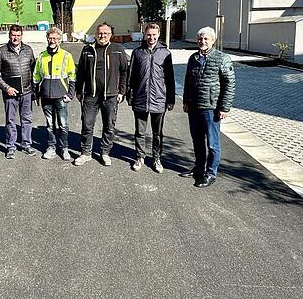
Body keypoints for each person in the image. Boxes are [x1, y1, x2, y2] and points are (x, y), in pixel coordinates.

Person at [181, 26, 235, 188]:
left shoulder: (222, 58)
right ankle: (198, 168)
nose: (202, 41)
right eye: (200, 38)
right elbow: (187, 81)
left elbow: (229, 84)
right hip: (193, 107)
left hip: (211, 108)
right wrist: (185, 100)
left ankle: (211, 173)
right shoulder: (193, 58)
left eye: (206, 39)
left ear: (213, 40)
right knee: (197, 140)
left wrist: (224, 107)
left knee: (212, 144)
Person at [74, 23, 129, 167]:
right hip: (90, 95)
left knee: (109, 126)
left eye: (105, 33)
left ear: (110, 35)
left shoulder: (118, 50)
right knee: (87, 124)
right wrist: (78, 90)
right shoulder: (87, 50)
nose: (102, 36)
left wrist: (122, 91)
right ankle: (86, 153)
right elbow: (81, 72)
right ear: (95, 34)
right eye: (100, 33)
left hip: (110, 95)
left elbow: (124, 72)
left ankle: (105, 152)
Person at [127, 23, 175, 173]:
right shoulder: (137, 53)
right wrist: (130, 95)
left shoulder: (165, 53)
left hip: (159, 99)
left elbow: (170, 78)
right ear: (144, 34)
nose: (151, 37)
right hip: (140, 98)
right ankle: (139, 157)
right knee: (140, 132)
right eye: (148, 34)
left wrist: (170, 99)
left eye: (154, 35)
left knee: (157, 133)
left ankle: (156, 158)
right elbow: (131, 76)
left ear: (158, 35)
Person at [0, 24, 37, 159]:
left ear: (22, 36)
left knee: (27, 119)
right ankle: (11, 146)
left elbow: (34, 71)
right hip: (10, 93)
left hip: (26, 92)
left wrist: (35, 91)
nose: (16, 38)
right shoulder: (1, 51)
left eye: (18, 35)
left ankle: (26, 144)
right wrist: (7, 88)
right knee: (10, 120)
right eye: (13, 35)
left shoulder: (28, 50)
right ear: (9, 35)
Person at [32, 27, 76, 161]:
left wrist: (70, 94)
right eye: (50, 38)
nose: (52, 40)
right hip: (46, 96)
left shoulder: (66, 56)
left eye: (55, 38)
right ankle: (51, 148)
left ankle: (64, 148)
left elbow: (72, 76)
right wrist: (36, 94)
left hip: (61, 96)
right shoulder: (41, 56)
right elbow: (36, 76)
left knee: (63, 125)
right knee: (50, 125)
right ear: (47, 38)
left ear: (59, 40)